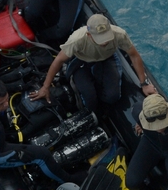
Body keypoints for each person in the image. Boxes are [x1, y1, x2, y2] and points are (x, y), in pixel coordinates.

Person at [0, 77, 85, 184]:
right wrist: (22, 154)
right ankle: (68, 180)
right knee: (42, 154)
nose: (6, 105)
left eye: (6, 99)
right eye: (0, 104)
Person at [28, 14, 156, 115]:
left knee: (113, 96)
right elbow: (58, 60)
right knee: (90, 98)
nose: (105, 42)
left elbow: (134, 55)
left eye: (106, 36)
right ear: (89, 34)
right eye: (100, 39)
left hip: (107, 58)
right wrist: (45, 87)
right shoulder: (77, 39)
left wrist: (143, 83)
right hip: (81, 61)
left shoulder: (119, 34)